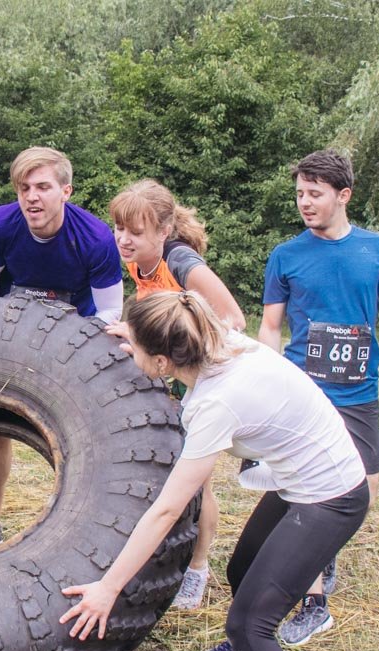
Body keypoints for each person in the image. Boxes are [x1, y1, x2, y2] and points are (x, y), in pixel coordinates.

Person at [59, 291, 367, 651]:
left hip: (331, 496)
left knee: (249, 625)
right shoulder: (217, 340)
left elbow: (165, 510)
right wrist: (134, 329)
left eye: (137, 351)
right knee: (242, 570)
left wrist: (108, 588)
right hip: (299, 479)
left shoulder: (213, 403)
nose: (132, 357)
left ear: (162, 363)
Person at [259, 149, 379, 646]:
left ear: (343, 195)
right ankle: (314, 603)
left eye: (315, 194)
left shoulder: (377, 251)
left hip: (359, 393)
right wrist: (268, 379)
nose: (305, 203)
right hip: (303, 393)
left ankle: (326, 545)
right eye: (299, 194)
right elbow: (271, 326)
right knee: (308, 494)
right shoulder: (286, 256)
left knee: (361, 494)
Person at [0, 146, 124, 551]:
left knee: (84, 438)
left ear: (66, 191)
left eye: (43, 187)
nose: (32, 197)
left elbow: (111, 310)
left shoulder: (96, 238)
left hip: (74, 338)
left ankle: (85, 534)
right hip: (11, 332)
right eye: (23, 187)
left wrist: (64, 347)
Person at [108, 178, 245, 609]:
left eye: (136, 232)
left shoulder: (181, 261)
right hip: (176, 375)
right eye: (119, 228)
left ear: (163, 233)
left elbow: (233, 321)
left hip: (210, 379)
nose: (124, 240)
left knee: (197, 482)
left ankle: (198, 570)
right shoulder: (139, 263)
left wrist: (157, 340)